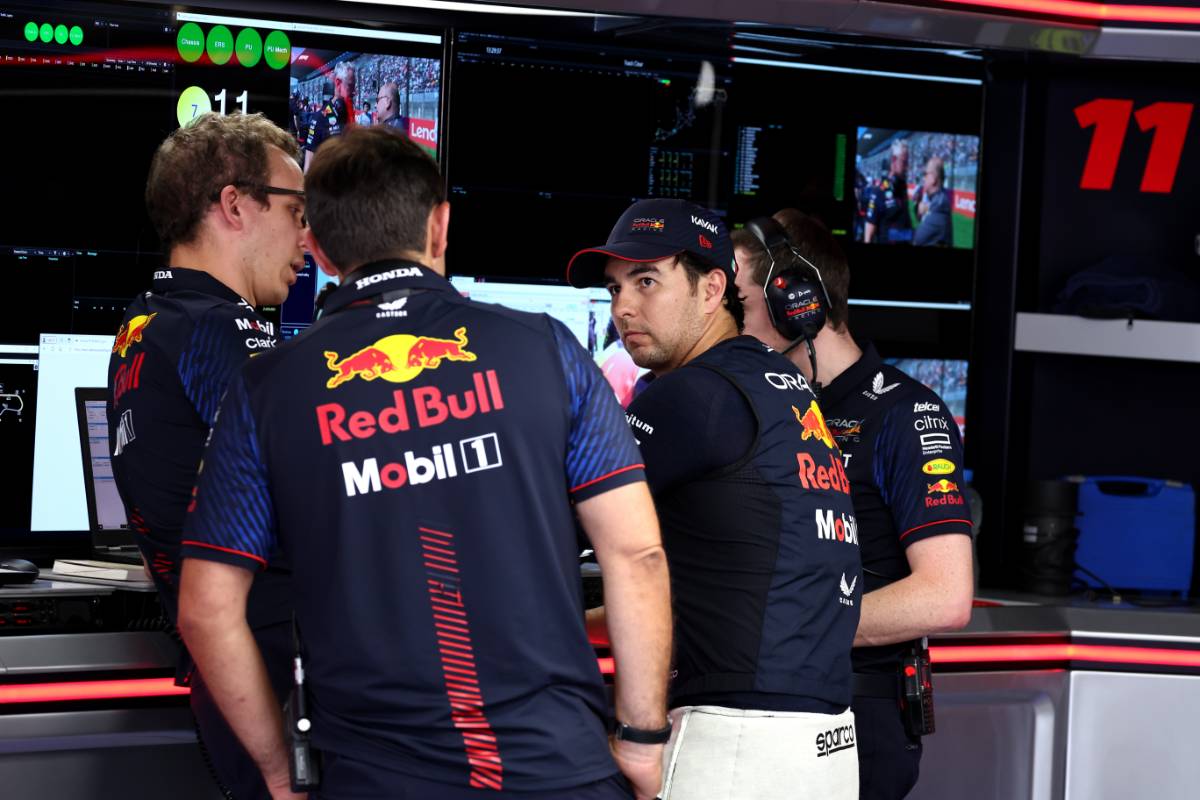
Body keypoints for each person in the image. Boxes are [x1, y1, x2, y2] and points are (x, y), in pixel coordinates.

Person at [176, 127, 673, 800]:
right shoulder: (548, 350)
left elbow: (206, 611)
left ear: (316, 246)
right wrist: (642, 739)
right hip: (557, 769)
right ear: (440, 225)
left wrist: (277, 769)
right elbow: (637, 554)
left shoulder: (266, 390)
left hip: (373, 778)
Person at [568, 199, 862, 800]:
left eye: (647, 280)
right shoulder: (781, 387)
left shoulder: (690, 397)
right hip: (826, 742)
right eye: (614, 286)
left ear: (712, 289)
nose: (623, 306)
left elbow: (552, 529)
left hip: (736, 741)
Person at [732, 209, 974, 800]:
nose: (725, 317)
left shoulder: (904, 414)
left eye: (738, 299)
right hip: (758, 711)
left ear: (799, 302)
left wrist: (768, 630)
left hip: (855, 719)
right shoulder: (767, 408)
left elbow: (944, 597)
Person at [107, 111, 306, 799]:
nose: (306, 236)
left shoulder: (144, 324)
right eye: (295, 209)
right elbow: (325, 493)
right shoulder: (222, 333)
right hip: (281, 682)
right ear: (234, 205)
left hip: (230, 680)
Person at [304, 62, 356, 171]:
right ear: (337, 83)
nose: (354, 91)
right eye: (350, 86)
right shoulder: (319, 118)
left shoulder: (351, 117)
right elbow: (308, 167)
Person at [863, 139, 912, 244]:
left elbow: (905, 226)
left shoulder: (902, 189)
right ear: (894, 160)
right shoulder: (878, 192)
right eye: (904, 162)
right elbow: (868, 236)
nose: (907, 167)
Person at [913, 156, 951, 247]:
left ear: (933, 178)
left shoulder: (940, 204)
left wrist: (895, 234)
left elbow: (917, 239)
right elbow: (920, 219)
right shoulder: (936, 198)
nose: (923, 178)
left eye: (925, 174)